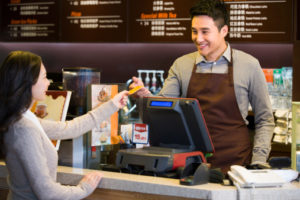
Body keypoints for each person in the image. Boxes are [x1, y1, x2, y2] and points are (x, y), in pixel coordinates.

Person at [130, 0, 274, 173]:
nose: (198, 39)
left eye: (205, 32)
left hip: (237, 165)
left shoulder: (249, 65)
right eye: (194, 31)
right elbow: (163, 105)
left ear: (224, 31)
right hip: (192, 163)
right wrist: (145, 96)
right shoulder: (181, 65)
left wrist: (258, 160)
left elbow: (265, 119)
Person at [0, 51, 129, 199]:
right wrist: (84, 188)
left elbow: (70, 128)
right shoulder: (23, 128)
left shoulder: (23, 118)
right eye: (44, 77)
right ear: (27, 82)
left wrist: (112, 104)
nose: (48, 82)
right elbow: (47, 192)